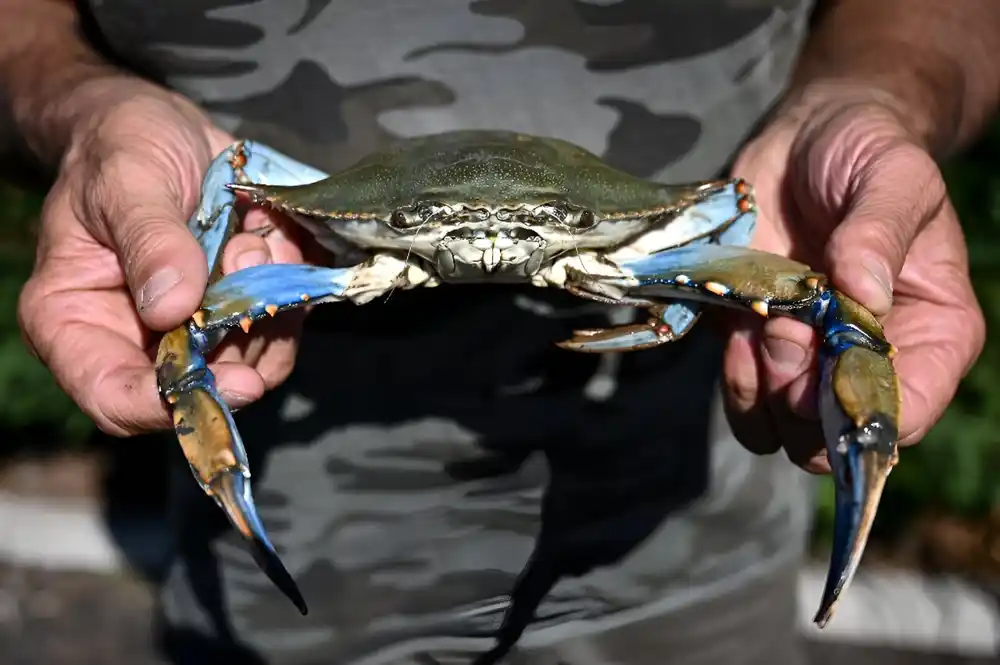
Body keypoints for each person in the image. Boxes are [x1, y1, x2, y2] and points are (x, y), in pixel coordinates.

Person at [3, 0, 995, 663]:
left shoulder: (701, 219)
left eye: (530, 231)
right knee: (190, 343)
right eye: (439, 233)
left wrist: (879, 95)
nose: (485, 248)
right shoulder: (288, 205)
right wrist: (82, 105)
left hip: (691, 584)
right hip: (265, 609)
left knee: (835, 303)